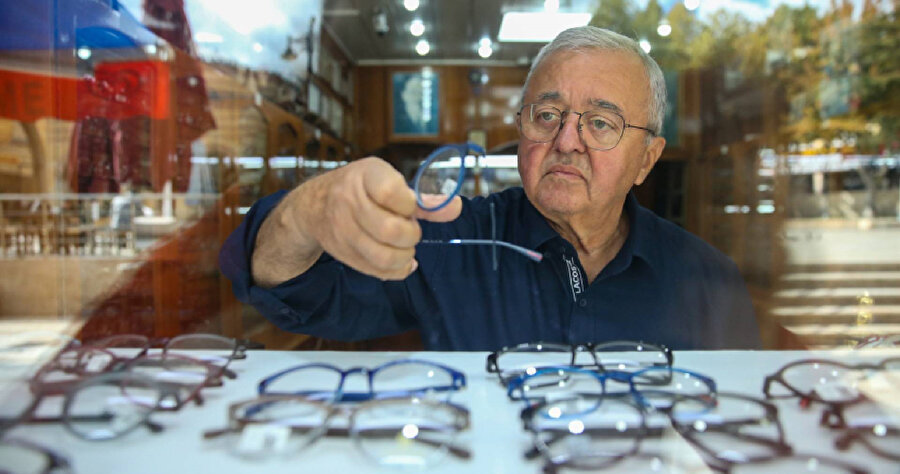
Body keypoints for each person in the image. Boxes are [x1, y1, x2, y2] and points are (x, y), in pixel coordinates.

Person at [219, 26, 760, 351]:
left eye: (600, 123)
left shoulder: (708, 281)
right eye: (546, 114)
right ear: (520, 129)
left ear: (647, 159)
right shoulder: (451, 240)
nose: (566, 141)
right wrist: (306, 213)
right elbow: (291, 289)